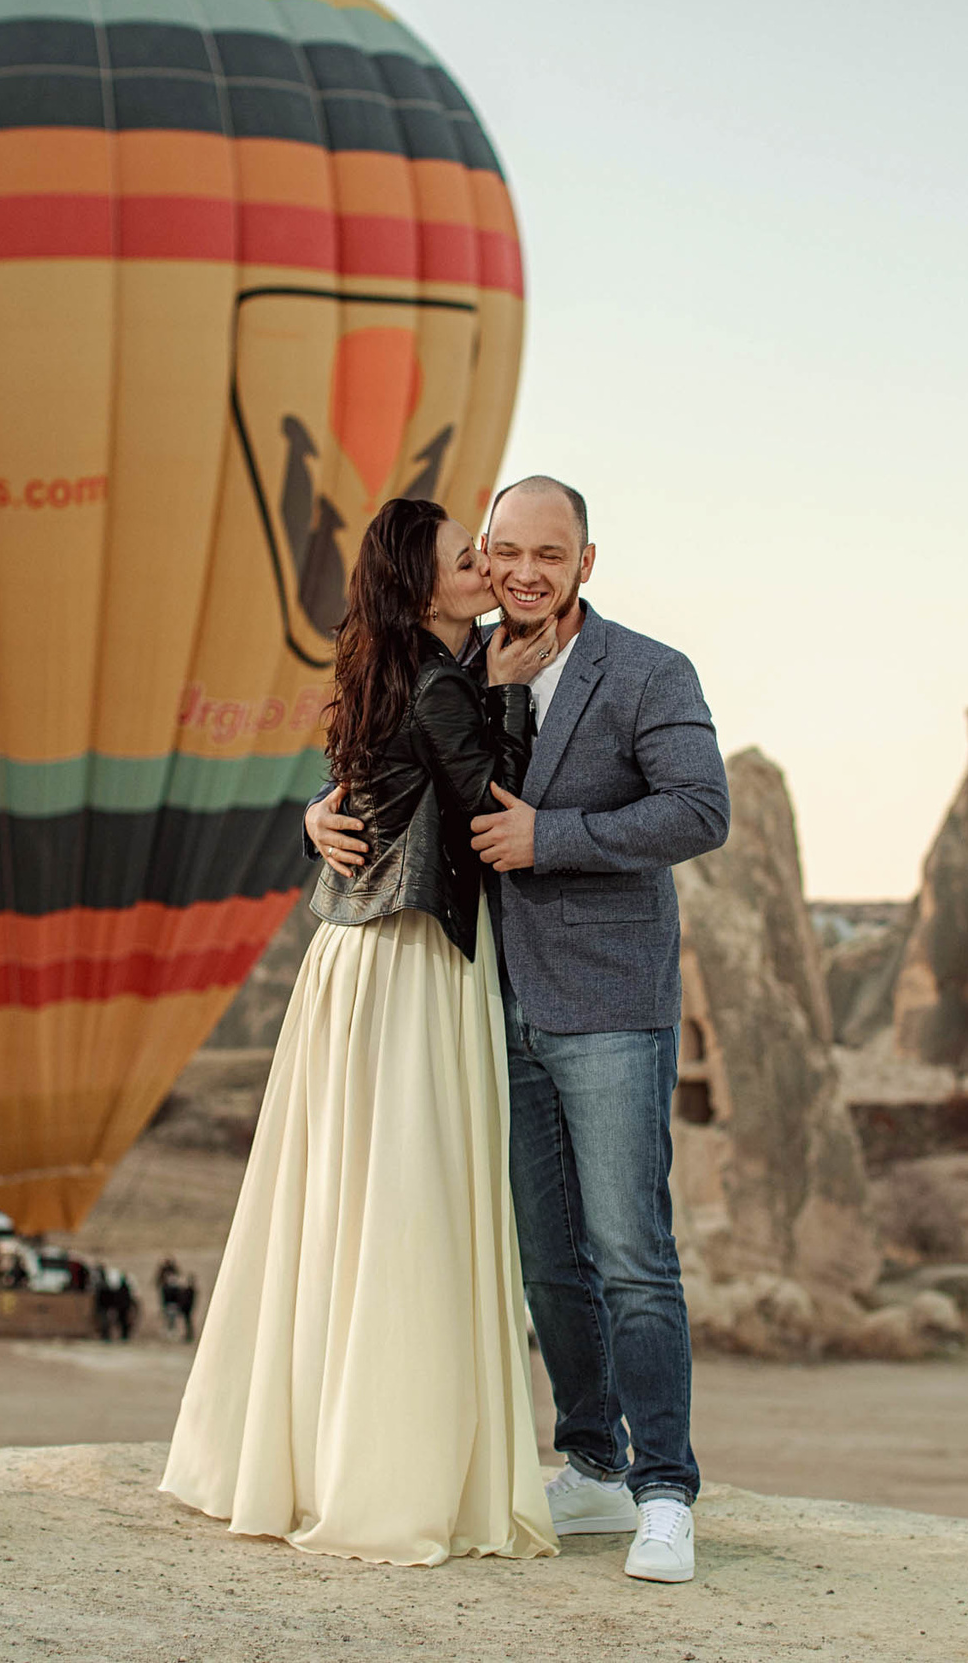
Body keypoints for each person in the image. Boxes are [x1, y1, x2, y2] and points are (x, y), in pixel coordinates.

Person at [306, 476, 729, 1584]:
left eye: (551, 553)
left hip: (605, 1004)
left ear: (587, 561)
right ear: (486, 556)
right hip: (485, 1002)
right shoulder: (458, 657)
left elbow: (699, 809)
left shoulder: (647, 672)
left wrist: (557, 837)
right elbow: (380, 761)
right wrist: (314, 815)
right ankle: (589, 1462)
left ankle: (664, 1491)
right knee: (549, 1261)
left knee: (632, 1255)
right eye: (506, 552)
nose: (524, 573)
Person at [162, 496, 559, 1568]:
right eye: (464, 557)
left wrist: (312, 815)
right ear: (417, 584)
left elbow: (371, 794)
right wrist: (512, 703)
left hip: (356, 955)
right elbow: (489, 809)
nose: (483, 567)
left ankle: (300, 1453)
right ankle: (385, 1472)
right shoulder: (441, 682)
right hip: (411, 960)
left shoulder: (392, 671)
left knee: (338, 1200)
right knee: (406, 1199)